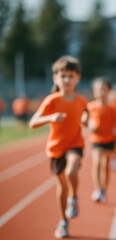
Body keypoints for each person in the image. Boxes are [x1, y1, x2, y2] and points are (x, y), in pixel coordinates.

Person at [29, 56, 88, 238]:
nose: (67, 80)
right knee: (61, 186)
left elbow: (86, 115)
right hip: (56, 149)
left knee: (71, 172)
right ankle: (63, 222)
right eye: (63, 76)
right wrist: (50, 118)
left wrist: (86, 119)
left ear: (77, 77)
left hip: (75, 144)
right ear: (55, 78)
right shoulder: (51, 100)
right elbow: (33, 122)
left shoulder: (81, 101)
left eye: (71, 76)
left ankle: (74, 199)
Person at [88, 77, 116, 202]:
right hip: (96, 139)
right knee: (97, 162)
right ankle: (97, 189)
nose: (100, 92)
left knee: (105, 165)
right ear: (94, 92)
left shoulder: (112, 108)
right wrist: (90, 124)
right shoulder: (91, 106)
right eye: (98, 90)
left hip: (109, 139)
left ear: (108, 91)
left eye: (103, 89)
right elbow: (85, 119)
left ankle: (103, 190)